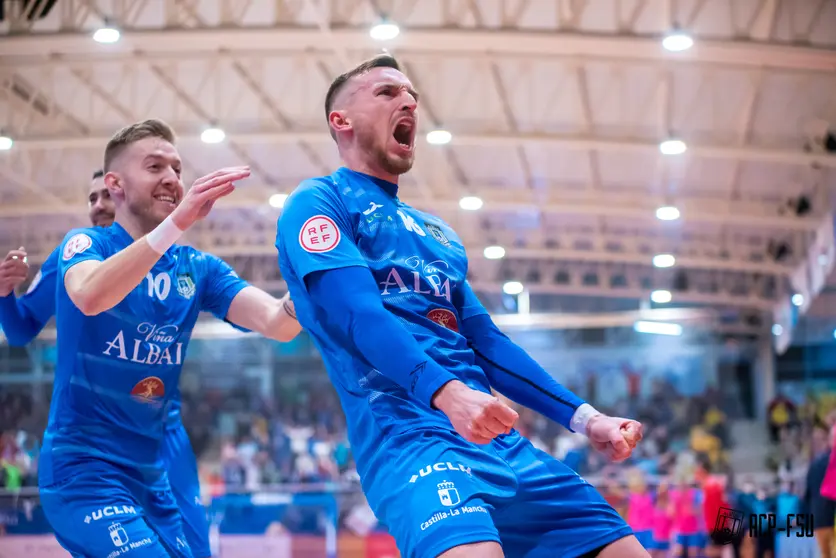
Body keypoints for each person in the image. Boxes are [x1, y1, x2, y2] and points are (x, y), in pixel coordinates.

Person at [277, 54, 648, 558]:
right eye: (387, 93)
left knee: (626, 551)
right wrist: (447, 393)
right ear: (340, 121)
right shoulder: (320, 202)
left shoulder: (438, 235)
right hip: (410, 439)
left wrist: (585, 419)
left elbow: (488, 345)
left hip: (498, 438)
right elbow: (359, 317)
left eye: (411, 95)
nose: (408, 100)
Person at [6, 119, 302, 558]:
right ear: (116, 185)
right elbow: (88, 295)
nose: (171, 178)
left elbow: (279, 323)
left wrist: (316, 281)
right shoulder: (83, 245)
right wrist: (177, 223)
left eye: (177, 169)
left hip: (154, 473)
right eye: (155, 166)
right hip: (84, 471)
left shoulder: (199, 269)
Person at [0, 171, 215, 557]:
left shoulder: (179, 263)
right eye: (92, 197)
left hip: (162, 438)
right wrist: (3, 295)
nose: (98, 204)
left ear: (130, 197)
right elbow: (19, 330)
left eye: (107, 195)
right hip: (94, 443)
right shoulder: (76, 257)